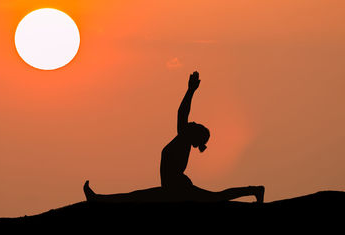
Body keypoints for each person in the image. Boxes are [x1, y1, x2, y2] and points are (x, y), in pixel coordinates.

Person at [83, 71, 265, 203]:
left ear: (193, 134)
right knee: (137, 196)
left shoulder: (184, 139)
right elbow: (182, 116)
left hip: (177, 189)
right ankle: (98, 199)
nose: (192, 123)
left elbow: (181, 113)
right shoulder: (184, 140)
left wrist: (191, 91)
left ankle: (254, 190)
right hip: (173, 188)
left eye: (194, 125)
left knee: (214, 198)